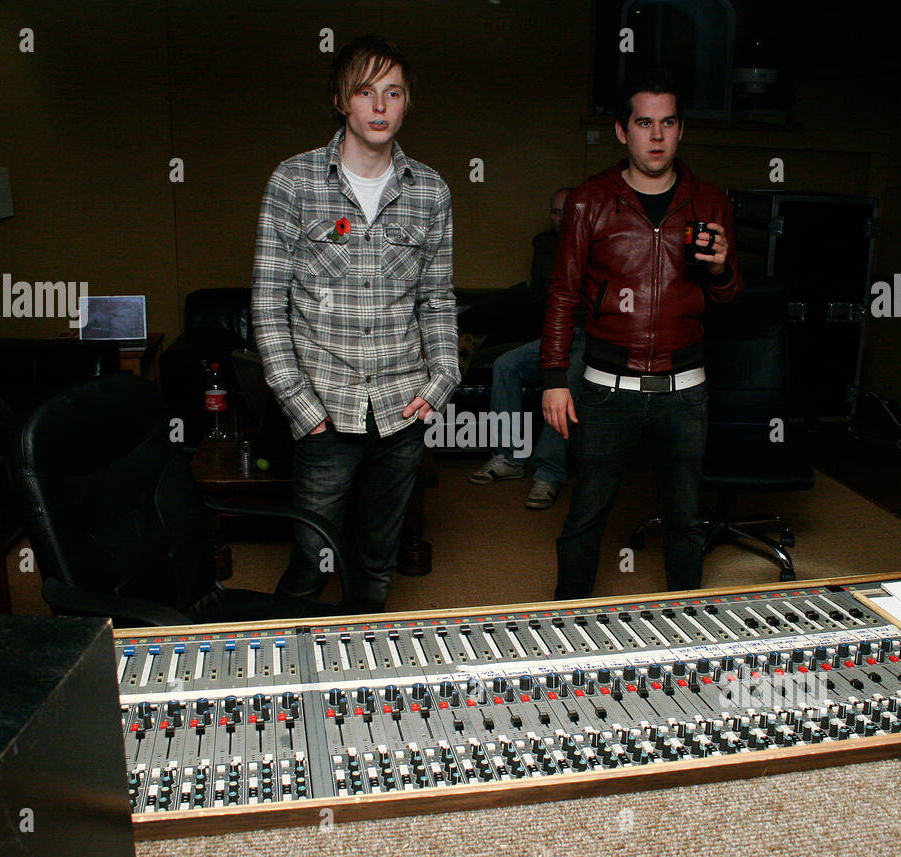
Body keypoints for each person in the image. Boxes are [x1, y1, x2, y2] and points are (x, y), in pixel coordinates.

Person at [252, 35, 459, 612]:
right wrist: (301, 406)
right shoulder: (293, 183)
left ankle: (362, 677)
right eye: (366, 92)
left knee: (376, 561)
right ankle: (280, 678)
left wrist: (439, 383)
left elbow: (437, 300)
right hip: (325, 412)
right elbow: (268, 308)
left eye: (393, 93)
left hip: (401, 410)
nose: (379, 106)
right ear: (342, 100)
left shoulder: (432, 192)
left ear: (406, 103)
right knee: (311, 560)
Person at [541, 70, 745, 599]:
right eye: (644, 123)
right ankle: (567, 630)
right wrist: (554, 376)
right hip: (607, 387)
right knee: (585, 516)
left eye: (668, 123)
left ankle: (689, 634)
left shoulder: (710, 202)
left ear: (681, 131)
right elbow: (563, 293)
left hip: (686, 390)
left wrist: (722, 269)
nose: (657, 136)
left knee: (685, 521)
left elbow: (729, 302)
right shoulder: (589, 201)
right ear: (621, 130)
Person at [468, 187, 586, 508]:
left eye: (568, 211)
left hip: (588, 336)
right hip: (554, 334)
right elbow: (541, 298)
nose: (561, 218)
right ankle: (507, 457)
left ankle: (549, 473)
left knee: (564, 380)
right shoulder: (545, 248)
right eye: (555, 211)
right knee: (506, 364)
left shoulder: (596, 244)